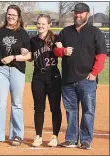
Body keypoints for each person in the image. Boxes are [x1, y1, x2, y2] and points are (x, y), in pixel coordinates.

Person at [53, 3, 107, 150]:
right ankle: (71, 139)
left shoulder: (95, 32)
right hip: (68, 79)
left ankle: (85, 140)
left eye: (81, 13)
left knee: (88, 111)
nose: (78, 15)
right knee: (71, 111)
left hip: (87, 79)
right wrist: (62, 51)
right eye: (76, 12)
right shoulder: (65, 32)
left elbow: (101, 55)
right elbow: (55, 51)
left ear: (87, 15)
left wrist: (94, 73)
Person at [0, 4, 31, 146]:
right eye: (9, 14)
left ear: (18, 17)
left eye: (14, 14)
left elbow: (28, 55)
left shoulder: (23, 33)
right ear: (6, 15)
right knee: (0, 103)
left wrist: (14, 56)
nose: (11, 16)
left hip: (17, 70)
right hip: (1, 70)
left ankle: (17, 135)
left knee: (17, 104)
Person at [30, 14, 63, 147]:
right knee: (39, 108)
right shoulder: (32, 40)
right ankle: (38, 136)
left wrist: (60, 48)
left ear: (49, 25)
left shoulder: (55, 38)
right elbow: (29, 57)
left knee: (55, 108)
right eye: (38, 23)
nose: (40, 26)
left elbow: (61, 52)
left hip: (53, 76)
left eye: (43, 24)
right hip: (38, 76)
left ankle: (54, 136)